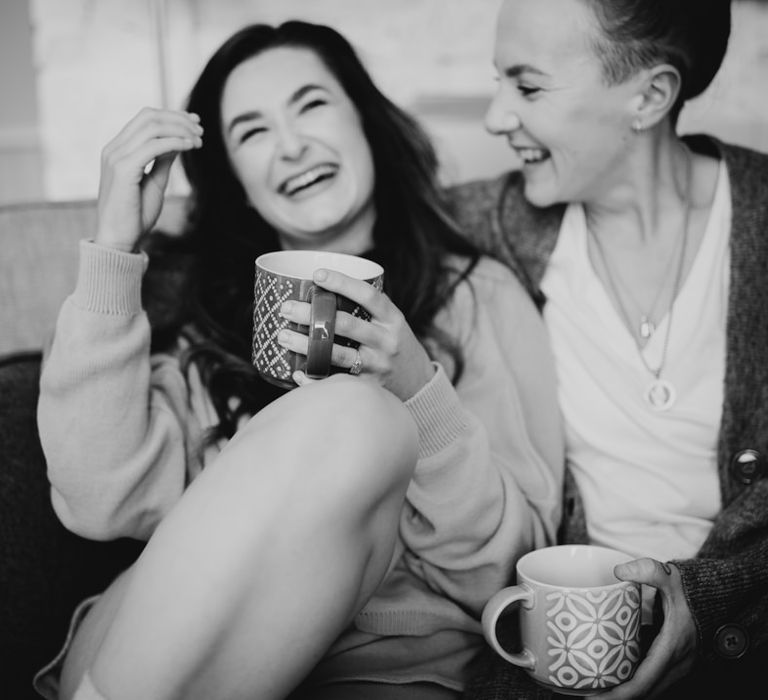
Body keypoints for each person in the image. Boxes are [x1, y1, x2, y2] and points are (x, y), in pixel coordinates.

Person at [33, 20, 564, 700]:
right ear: (241, 186)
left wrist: (415, 390)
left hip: (384, 669)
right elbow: (98, 502)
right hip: (162, 652)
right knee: (348, 410)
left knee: (361, 414)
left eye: (311, 104)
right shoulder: (199, 323)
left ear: (366, 123)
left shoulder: (478, 298)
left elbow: (505, 573)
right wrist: (114, 244)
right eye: (252, 132)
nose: (290, 146)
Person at [446, 0, 768, 698]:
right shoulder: (497, 224)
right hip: (561, 665)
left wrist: (703, 599)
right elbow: (355, 218)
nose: (497, 117)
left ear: (649, 96)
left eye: (527, 86)